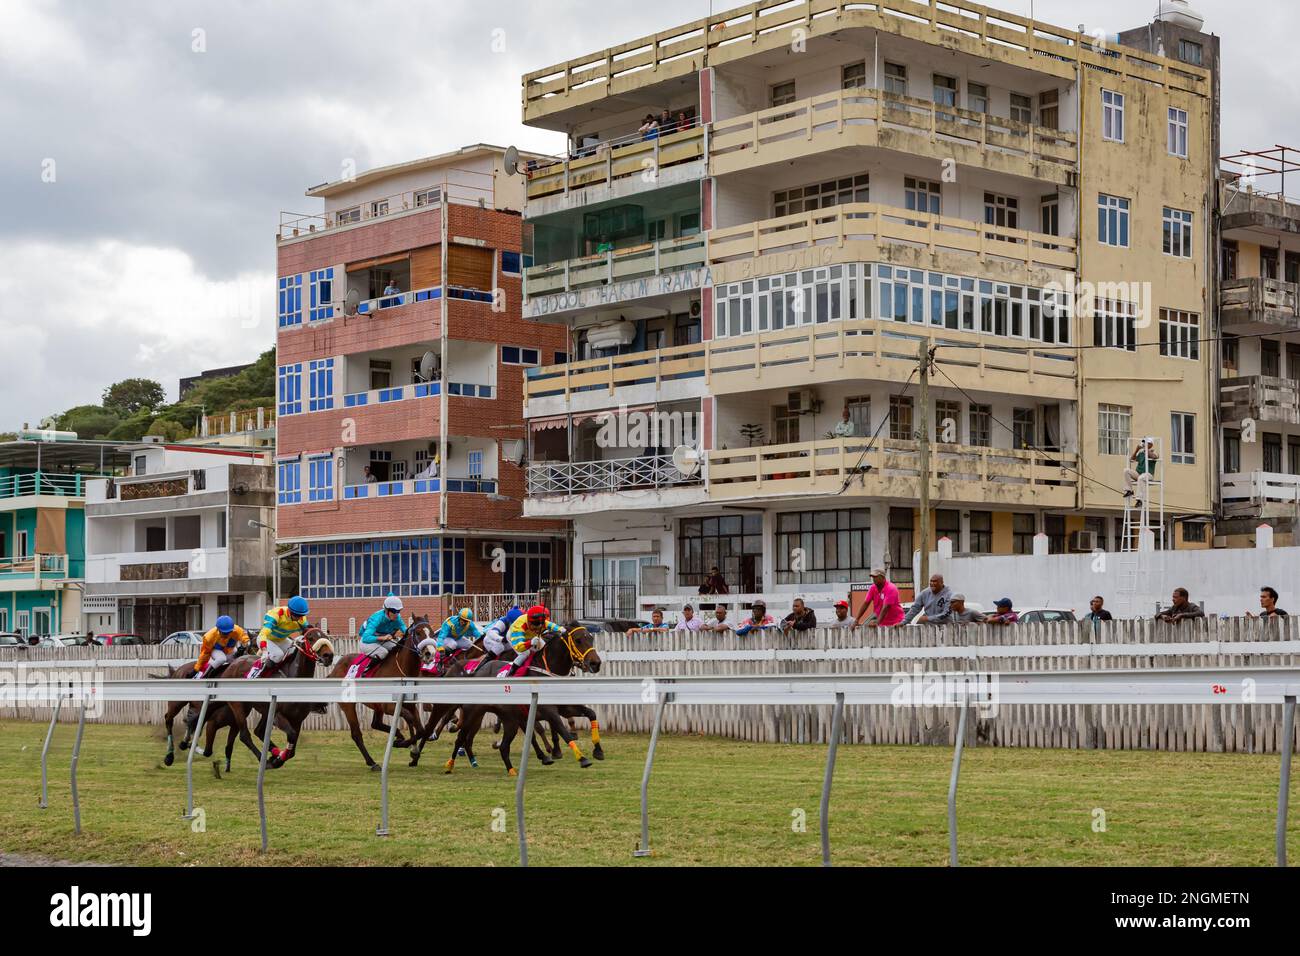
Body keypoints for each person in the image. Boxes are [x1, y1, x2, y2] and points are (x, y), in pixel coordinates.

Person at [498, 604, 564, 677]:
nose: (539, 627)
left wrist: (560, 629)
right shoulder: (519, 627)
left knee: (543, 646)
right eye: (536, 624)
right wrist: (530, 643)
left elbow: (550, 625)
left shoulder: (539, 621)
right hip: (514, 637)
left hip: (530, 636)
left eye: (541, 624)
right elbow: (519, 647)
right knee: (525, 653)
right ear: (529, 622)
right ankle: (511, 672)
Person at [256, 595, 311, 669]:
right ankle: (261, 673)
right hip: (266, 639)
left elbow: (308, 633)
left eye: (301, 615)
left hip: (281, 640)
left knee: (294, 652)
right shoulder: (276, 614)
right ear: (290, 612)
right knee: (278, 655)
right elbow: (263, 634)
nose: (299, 618)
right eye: (297, 615)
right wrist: (265, 650)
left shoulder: (301, 619)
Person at [357, 596, 408, 669]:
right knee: (383, 652)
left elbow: (406, 631)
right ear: (387, 610)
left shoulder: (398, 618)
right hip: (366, 642)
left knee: (397, 648)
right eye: (394, 611)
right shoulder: (376, 618)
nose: (396, 614)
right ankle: (366, 670)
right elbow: (366, 638)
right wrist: (382, 638)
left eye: (398, 611)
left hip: (381, 640)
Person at [1123, 438, 1159, 506]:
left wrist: (1146, 450)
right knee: (1126, 471)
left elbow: (1154, 457)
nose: (1144, 444)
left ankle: (1139, 499)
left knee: (1141, 478)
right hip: (1139, 473)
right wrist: (1137, 450)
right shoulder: (1141, 452)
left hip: (1148, 474)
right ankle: (1129, 490)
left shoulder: (1153, 451)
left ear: (1151, 444)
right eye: (1144, 443)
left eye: (1146, 443)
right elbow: (1132, 459)